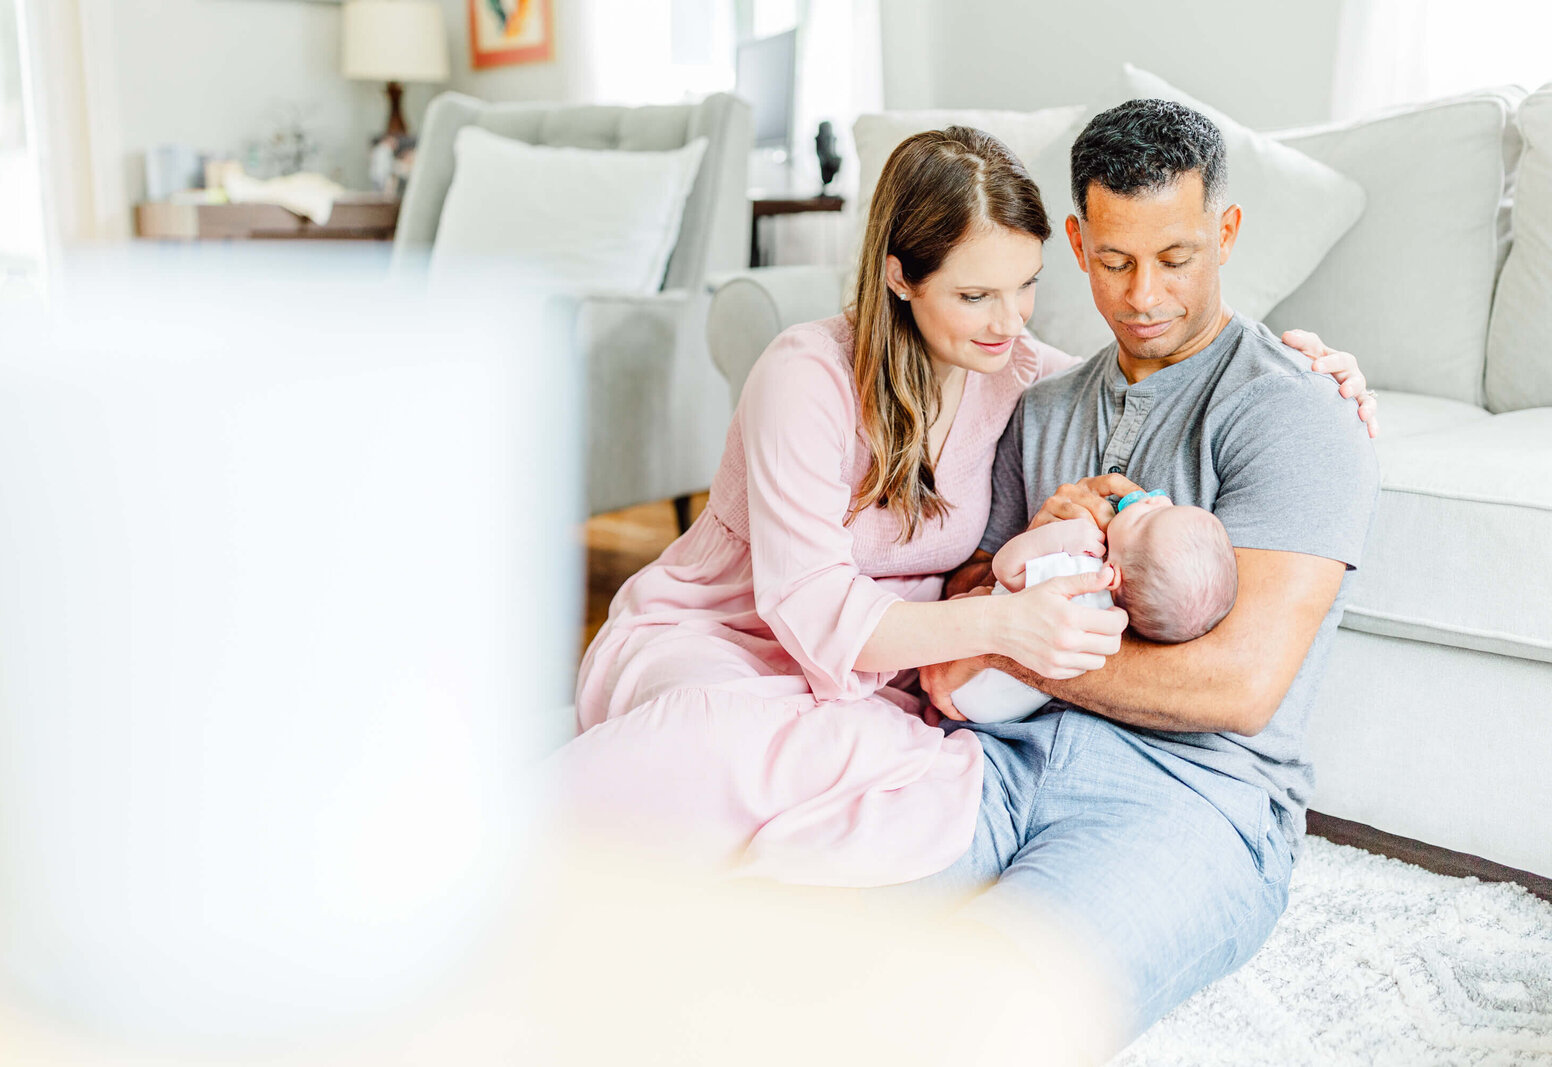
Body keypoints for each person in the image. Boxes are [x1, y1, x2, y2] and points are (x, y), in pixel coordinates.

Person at [552, 121, 1376, 897]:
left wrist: (1320, 373)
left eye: (1025, 288)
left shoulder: (1021, 374)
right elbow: (808, 607)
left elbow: (1145, 376)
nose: (1009, 322)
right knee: (732, 732)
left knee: (915, 780)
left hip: (881, 679)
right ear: (900, 275)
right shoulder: (803, 376)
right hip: (725, 637)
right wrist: (1001, 633)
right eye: (977, 294)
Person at [915, 99, 1381, 1042]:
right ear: (1079, 244)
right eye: (1116, 261)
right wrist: (1019, 562)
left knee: (986, 1007)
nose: (1143, 296)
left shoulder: (1292, 413)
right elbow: (958, 607)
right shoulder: (1039, 410)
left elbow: (1239, 687)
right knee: (800, 932)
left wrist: (1022, 652)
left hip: (1191, 796)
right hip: (1003, 758)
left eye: (1176, 258)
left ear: (1226, 232)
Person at [951, 490, 1237, 723]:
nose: (1157, 499)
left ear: (1113, 574)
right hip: (998, 711)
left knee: (964, 604)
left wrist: (1058, 536)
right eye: (1168, 507)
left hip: (970, 682)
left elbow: (1006, 569)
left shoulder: (1078, 570)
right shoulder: (1114, 626)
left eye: (1146, 518)